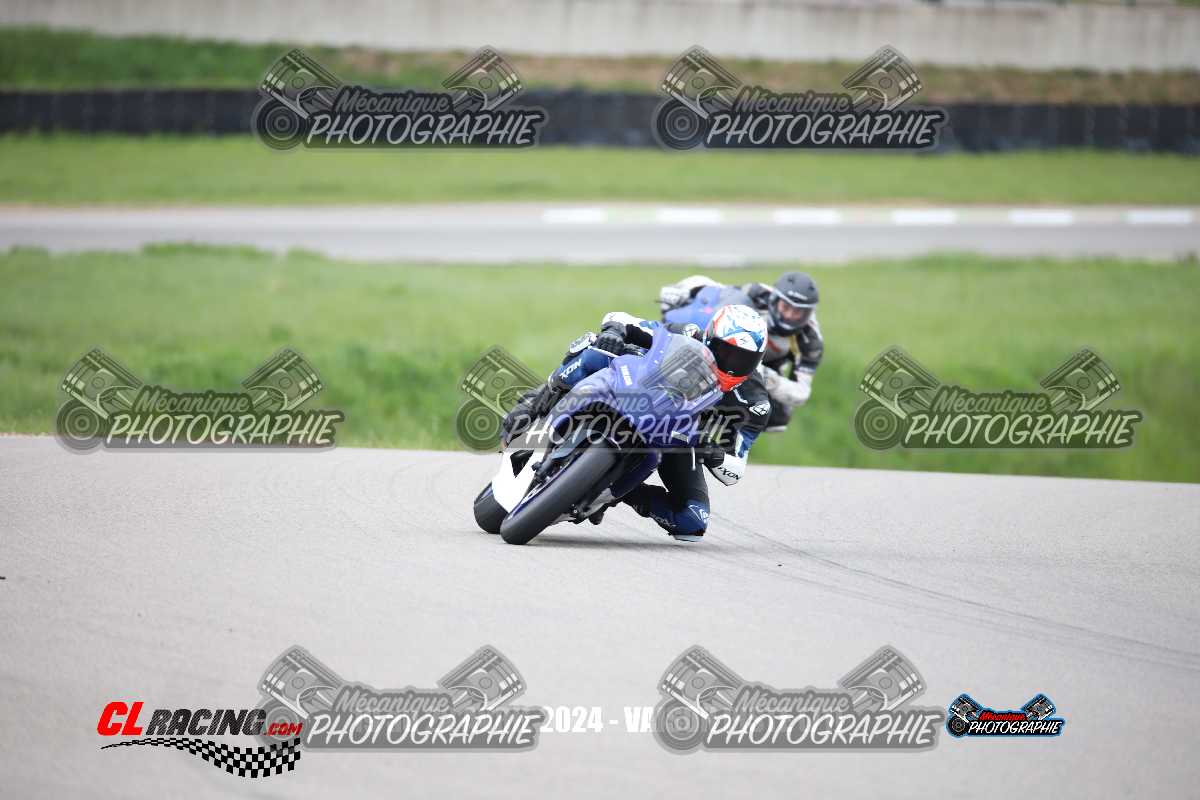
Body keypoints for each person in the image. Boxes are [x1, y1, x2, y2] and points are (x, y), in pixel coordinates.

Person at [501, 304, 769, 542]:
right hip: (637, 392)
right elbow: (623, 319)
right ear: (710, 337)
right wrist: (615, 332)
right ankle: (538, 400)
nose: (731, 364)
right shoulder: (688, 334)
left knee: (692, 521)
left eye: (743, 359)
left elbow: (735, 469)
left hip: (679, 438)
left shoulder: (754, 403)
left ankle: (616, 492)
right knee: (594, 347)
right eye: (726, 351)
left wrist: (714, 453)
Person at [658, 272, 823, 432]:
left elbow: (801, 393)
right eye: (786, 307)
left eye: (798, 312)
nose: (789, 316)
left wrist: (766, 377)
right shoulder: (758, 292)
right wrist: (684, 291)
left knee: (778, 418)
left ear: (809, 313)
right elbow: (718, 291)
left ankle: (720, 433)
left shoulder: (811, 340)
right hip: (726, 350)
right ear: (774, 299)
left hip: (764, 368)